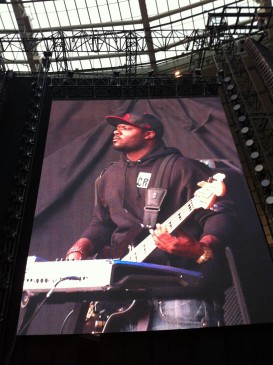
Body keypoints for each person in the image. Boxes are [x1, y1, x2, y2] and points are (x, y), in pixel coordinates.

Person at [65, 111, 236, 332]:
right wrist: (80, 248)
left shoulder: (185, 168)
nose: (117, 130)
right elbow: (102, 223)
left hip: (179, 298)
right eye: (116, 127)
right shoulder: (108, 176)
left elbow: (220, 213)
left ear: (149, 134)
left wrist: (200, 247)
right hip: (120, 300)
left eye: (126, 127)